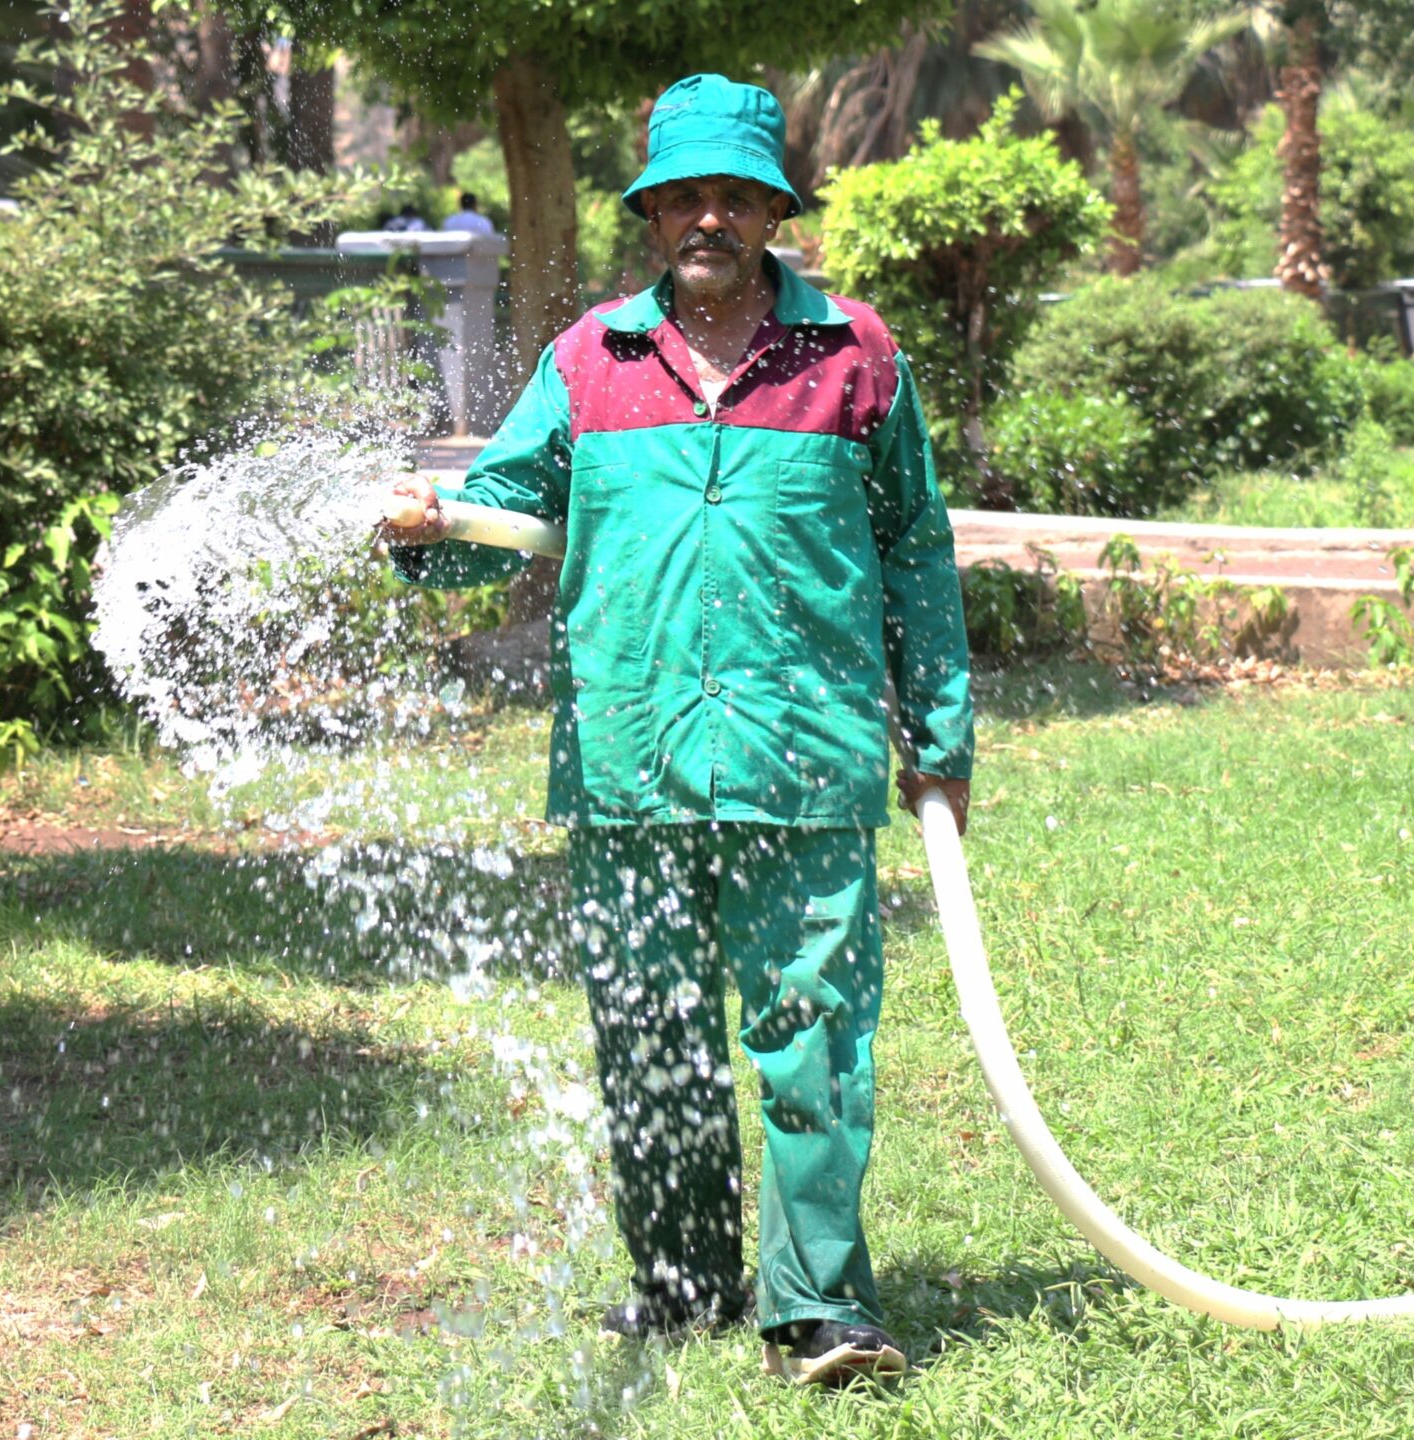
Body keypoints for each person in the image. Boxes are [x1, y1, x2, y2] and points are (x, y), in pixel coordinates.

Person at [381, 73, 971, 1388]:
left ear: (771, 211)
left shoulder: (854, 357)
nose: (709, 217)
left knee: (811, 1032)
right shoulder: (590, 362)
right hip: (630, 761)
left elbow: (916, 552)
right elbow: (509, 524)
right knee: (648, 1030)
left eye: (734, 196)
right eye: (683, 197)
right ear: (652, 217)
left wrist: (939, 733)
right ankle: (688, 1280)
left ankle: (819, 1306)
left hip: (803, 757)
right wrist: (432, 535)